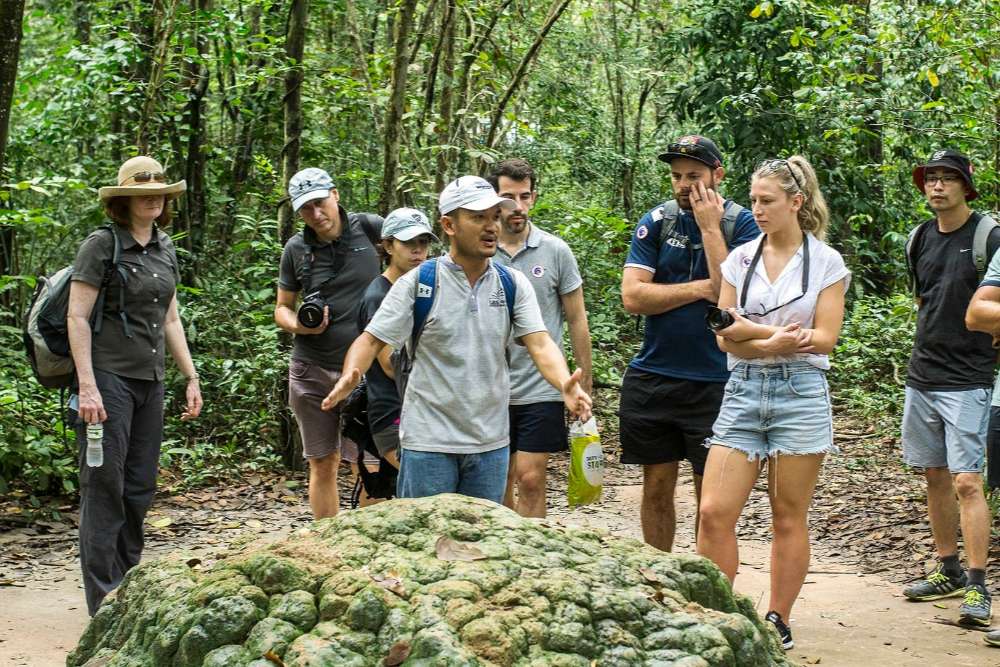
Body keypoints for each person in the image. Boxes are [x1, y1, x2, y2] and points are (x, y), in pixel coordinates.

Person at [320, 176, 592, 504]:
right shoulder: (419, 282)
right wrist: (352, 372)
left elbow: (540, 342)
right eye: (478, 217)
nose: (491, 226)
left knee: (481, 545)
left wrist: (564, 382)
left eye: (494, 216)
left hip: (490, 444)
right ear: (449, 224)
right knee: (425, 545)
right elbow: (371, 340)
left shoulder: (512, 284)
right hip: (427, 445)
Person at [696, 155, 849, 650]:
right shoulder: (741, 259)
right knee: (715, 510)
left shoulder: (825, 262)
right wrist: (769, 341)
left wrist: (752, 334)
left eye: (767, 201)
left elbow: (824, 337)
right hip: (743, 391)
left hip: (799, 393)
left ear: (795, 203)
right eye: (755, 200)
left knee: (787, 514)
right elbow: (723, 332)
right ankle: (718, 609)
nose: (756, 210)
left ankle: (777, 617)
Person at [68, 156, 203, 615]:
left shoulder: (165, 248)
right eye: (141, 191)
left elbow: (170, 317)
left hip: (151, 381)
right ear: (122, 200)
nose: (152, 197)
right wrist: (87, 385)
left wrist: (191, 376)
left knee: (139, 485)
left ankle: (125, 587)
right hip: (108, 380)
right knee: (104, 484)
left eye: (159, 191)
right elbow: (77, 316)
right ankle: (101, 602)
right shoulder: (101, 246)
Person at [619, 135, 759, 551]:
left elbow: (729, 297)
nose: (684, 185)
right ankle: (660, 578)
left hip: (715, 380)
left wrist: (710, 228)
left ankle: (703, 581)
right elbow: (633, 297)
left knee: (709, 497)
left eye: (694, 176)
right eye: (677, 176)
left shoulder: (744, 224)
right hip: (655, 375)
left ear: (718, 174)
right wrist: (700, 288)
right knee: (656, 485)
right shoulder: (656, 221)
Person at [901, 149, 997, 628]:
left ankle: (979, 586)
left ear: (965, 185)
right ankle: (949, 569)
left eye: (947, 179)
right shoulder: (918, 237)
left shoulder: (988, 236)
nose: (937, 186)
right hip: (924, 373)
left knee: (967, 481)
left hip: (970, 377)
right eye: (931, 178)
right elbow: (924, 298)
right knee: (934, 475)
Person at [487, 158, 593, 518]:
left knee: (531, 478)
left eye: (525, 196)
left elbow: (577, 319)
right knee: (497, 479)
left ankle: (535, 564)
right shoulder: (479, 253)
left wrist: (583, 382)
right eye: (508, 197)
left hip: (542, 385)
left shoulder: (555, 251)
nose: (517, 207)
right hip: (490, 386)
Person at [274, 167, 382, 518]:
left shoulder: (370, 229)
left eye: (320, 203)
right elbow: (282, 307)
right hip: (311, 369)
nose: (316, 214)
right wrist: (300, 328)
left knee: (368, 462)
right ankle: (326, 545)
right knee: (323, 461)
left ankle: (369, 546)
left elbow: (411, 262)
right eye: (306, 208)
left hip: (366, 371)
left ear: (335, 194)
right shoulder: (296, 249)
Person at [357, 207, 438, 469]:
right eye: (408, 243)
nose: (417, 250)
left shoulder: (424, 289)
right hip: (394, 413)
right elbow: (391, 366)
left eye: (422, 242)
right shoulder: (378, 296)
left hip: (425, 411)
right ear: (389, 246)